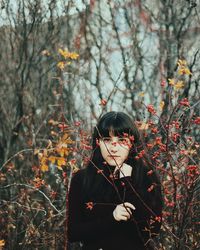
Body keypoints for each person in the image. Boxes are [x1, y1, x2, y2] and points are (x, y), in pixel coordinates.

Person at [67, 111, 163, 250]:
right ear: (98, 142)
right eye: (107, 140)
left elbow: (152, 229)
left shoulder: (147, 177)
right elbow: (73, 233)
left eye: (122, 141)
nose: (114, 147)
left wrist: (127, 182)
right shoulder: (82, 179)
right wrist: (112, 218)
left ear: (132, 143)